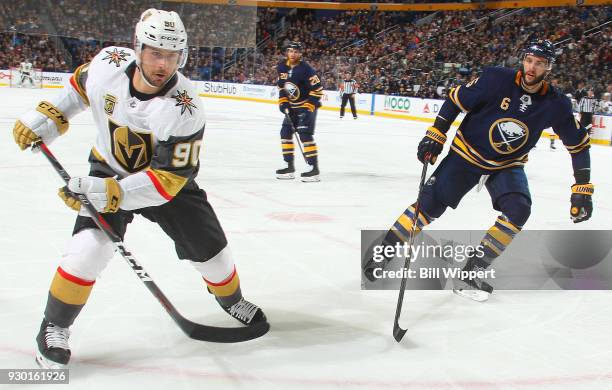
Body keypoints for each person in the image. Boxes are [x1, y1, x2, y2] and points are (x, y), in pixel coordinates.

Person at [12, 8, 267, 369]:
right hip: (107, 168)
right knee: (86, 252)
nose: (164, 64)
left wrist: (110, 193)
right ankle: (54, 326)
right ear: (138, 48)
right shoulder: (107, 64)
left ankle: (231, 299)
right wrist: (49, 118)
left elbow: (167, 180)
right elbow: (77, 90)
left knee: (214, 255)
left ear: (184, 55)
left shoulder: (186, 108)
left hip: (165, 184)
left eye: (172, 55)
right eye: (155, 53)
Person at [364, 39, 593, 301]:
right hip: (466, 155)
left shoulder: (556, 103)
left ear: (548, 67)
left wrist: (582, 189)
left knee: (519, 209)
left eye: (539, 63)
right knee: (428, 207)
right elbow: (455, 100)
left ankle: (472, 271)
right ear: (523, 60)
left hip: (507, 165)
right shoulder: (495, 79)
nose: (532, 67)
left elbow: (578, 145)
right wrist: (437, 134)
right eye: (529, 60)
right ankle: (385, 252)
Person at [276, 41, 324, 182]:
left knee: (305, 135)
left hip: (306, 107)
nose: (293, 54)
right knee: (285, 133)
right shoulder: (282, 66)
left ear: (300, 53)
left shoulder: (306, 69)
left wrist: (308, 107)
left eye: (296, 51)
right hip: (292, 108)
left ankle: (313, 169)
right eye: (290, 51)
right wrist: (283, 101)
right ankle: (289, 166)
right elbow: (281, 86)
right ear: (287, 52)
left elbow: (318, 90)